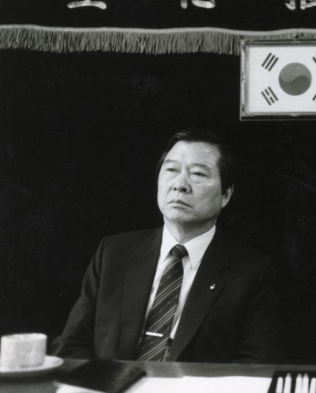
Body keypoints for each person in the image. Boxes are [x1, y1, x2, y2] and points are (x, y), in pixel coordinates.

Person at [53, 128, 281, 363]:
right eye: (171, 170)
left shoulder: (253, 271)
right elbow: (72, 344)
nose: (180, 184)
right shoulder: (113, 252)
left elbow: (255, 364)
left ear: (225, 195)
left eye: (199, 174)